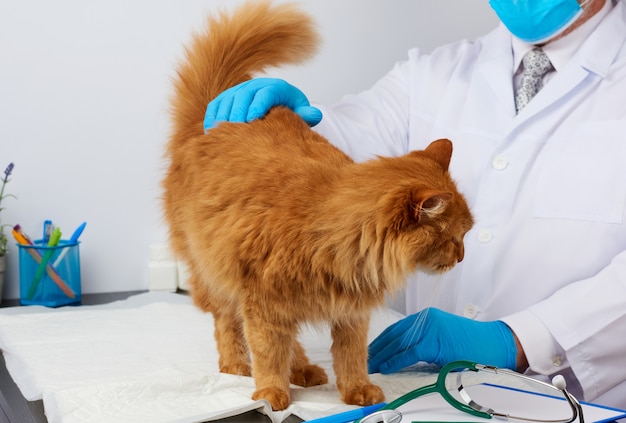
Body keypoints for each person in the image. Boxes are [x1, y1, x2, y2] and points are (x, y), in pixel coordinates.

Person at [203, 0, 626, 408]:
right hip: (424, 394)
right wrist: (294, 119)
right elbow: (348, 167)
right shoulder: (431, 73)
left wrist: (520, 338)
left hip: (575, 398)